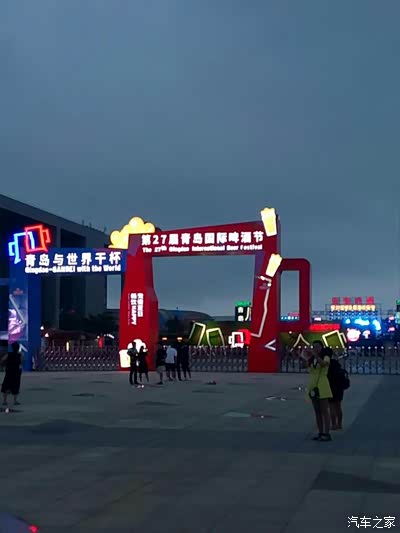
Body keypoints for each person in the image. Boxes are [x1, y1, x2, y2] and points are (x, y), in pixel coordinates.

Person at [301, 340, 333, 442]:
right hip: (313, 385)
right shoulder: (312, 359)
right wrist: (304, 356)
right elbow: (305, 366)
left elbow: (323, 364)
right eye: (314, 347)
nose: (315, 349)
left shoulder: (325, 357)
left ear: (321, 348)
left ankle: (327, 433)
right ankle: (320, 432)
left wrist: (314, 354)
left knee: (324, 410)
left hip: (322, 384)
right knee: (317, 411)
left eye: (317, 347)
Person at [326, 348, 348, 430]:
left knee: (331, 406)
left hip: (330, 386)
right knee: (338, 406)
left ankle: (333, 424)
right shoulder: (336, 364)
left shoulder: (326, 364)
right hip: (339, 388)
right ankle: (339, 424)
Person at [1, 342, 23, 407]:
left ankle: (4, 401)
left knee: (6, 385)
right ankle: (15, 401)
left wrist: (5, 364)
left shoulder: (9, 354)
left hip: (9, 372)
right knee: (16, 386)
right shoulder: (20, 355)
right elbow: (22, 362)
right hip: (16, 372)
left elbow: (2, 360)